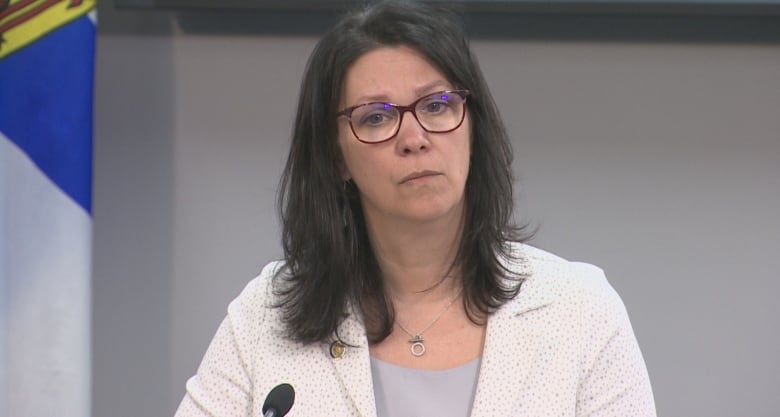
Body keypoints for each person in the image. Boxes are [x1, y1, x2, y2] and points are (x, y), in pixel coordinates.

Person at [174, 1, 656, 416]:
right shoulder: (266, 316)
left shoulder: (579, 311)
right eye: (376, 117)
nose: (415, 138)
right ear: (336, 155)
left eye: (437, 105)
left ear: (473, 127)